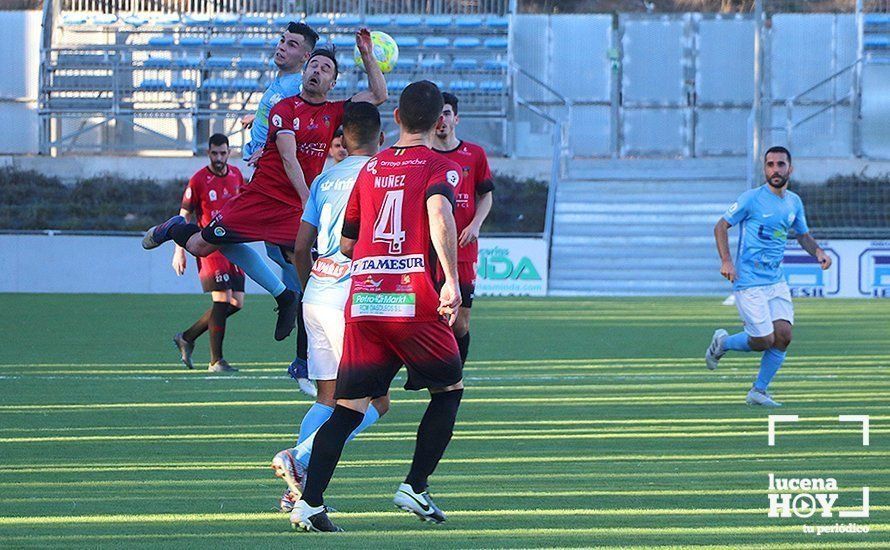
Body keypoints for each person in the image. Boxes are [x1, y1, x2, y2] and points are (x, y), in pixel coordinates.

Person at [293, 81, 464, 533]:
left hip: (364, 300)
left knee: (348, 407)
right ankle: (415, 484)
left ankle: (309, 504)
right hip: (411, 299)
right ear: (435, 122)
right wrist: (449, 279)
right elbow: (439, 215)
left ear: (398, 120)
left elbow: (347, 244)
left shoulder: (370, 169)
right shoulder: (438, 165)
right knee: (448, 390)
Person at [141, 30, 387, 343]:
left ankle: (300, 346)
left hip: (295, 202)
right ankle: (175, 227)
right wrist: (305, 196)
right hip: (261, 196)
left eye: (326, 69)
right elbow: (287, 157)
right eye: (314, 65)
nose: (317, 71)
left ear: (333, 82)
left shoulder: (333, 110)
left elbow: (378, 96)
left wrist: (367, 55)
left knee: (302, 265)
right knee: (201, 246)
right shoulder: (285, 104)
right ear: (305, 68)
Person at [270, 102, 390, 514]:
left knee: (326, 398)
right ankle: (299, 458)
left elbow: (300, 246)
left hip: (317, 295)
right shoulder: (378, 175)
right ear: (380, 137)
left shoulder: (323, 179)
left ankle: (297, 493)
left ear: (343, 136)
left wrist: (308, 288)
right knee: (375, 403)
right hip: (350, 300)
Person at [705, 146, 831, 406]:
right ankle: (723, 342)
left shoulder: (794, 202)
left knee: (783, 335)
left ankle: (758, 391)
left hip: (775, 280)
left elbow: (802, 233)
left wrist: (817, 251)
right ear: (765, 169)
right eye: (770, 165)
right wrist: (727, 261)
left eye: (780, 164)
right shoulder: (751, 199)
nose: (775, 169)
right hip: (749, 281)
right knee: (764, 340)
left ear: (790, 169)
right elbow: (721, 226)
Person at [238, 22, 318, 393]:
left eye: (292, 44)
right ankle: (303, 347)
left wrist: (269, 145)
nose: (282, 47)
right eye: (282, 41)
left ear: (306, 57)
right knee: (287, 266)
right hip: (264, 180)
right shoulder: (278, 85)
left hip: (278, 189)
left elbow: (296, 124)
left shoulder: (293, 88)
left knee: (216, 238)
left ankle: (308, 357)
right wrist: (255, 125)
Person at [172, 134, 246, 372]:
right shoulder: (198, 180)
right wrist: (179, 251)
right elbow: (183, 217)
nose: (219, 158)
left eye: (223, 153)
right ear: (208, 153)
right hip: (208, 246)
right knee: (222, 299)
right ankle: (216, 361)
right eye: (214, 153)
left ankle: (187, 336)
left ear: (229, 152)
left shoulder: (236, 175)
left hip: (233, 245)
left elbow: (244, 206)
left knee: (236, 302)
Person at [431, 92, 494, 365]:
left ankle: (454, 372)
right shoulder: (424, 155)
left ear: (455, 118)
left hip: (464, 251)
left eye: (446, 113)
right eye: (437, 114)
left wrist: (476, 224)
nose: (441, 119)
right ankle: (432, 373)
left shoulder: (475, 154)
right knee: (429, 317)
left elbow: (486, 195)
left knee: (460, 324)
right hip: (428, 250)